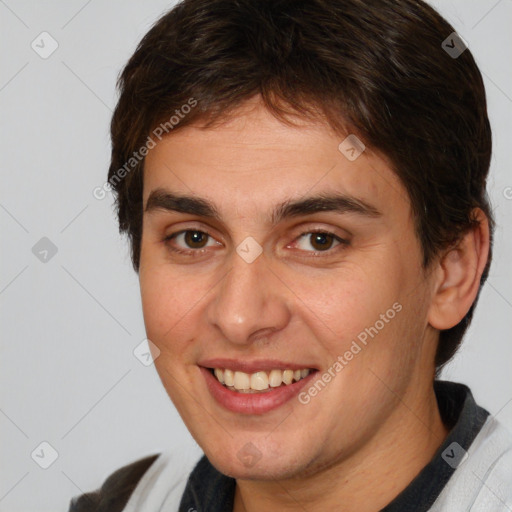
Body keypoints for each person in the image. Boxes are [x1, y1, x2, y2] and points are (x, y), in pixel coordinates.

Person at [69, 0, 512, 510]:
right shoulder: (129, 500)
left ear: (451, 272)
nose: (238, 317)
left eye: (318, 240)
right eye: (194, 238)